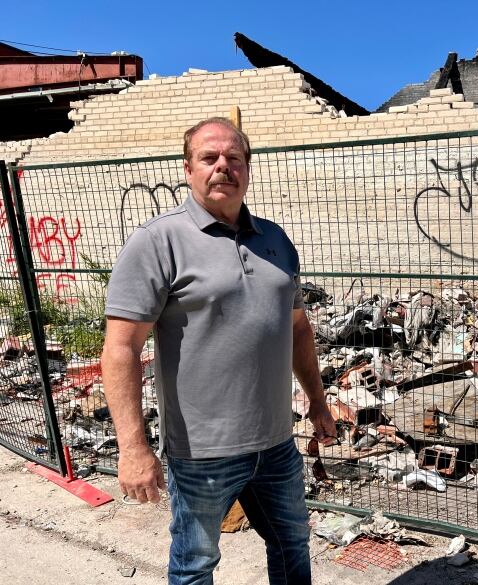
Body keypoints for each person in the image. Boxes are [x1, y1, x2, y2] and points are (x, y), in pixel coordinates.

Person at [101, 117, 337, 585]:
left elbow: (298, 330)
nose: (222, 167)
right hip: (202, 452)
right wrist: (133, 449)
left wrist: (318, 402)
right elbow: (121, 348)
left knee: (292, 545)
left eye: (234, 158)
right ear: (188, 169)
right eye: (209, 157)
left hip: (276, 444)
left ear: (248, 169)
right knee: (195, 566)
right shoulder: (157, 241)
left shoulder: (275, 241)